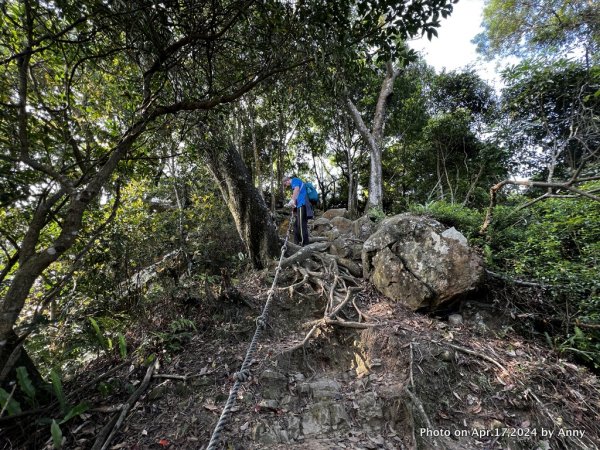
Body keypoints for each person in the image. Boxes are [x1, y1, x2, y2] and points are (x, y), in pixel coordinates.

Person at [283, 176, 310, 246]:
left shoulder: (294, 180)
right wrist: (292, 204)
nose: (287, 186)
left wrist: (292, 200)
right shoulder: (294, 183)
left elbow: (297, 189)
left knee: (301, 224)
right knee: (296, 225)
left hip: (302, 204)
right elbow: (297, 194)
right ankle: (297, 242)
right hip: (299, 205)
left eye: (286, 184)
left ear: (287, 181)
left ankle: (305, 243)